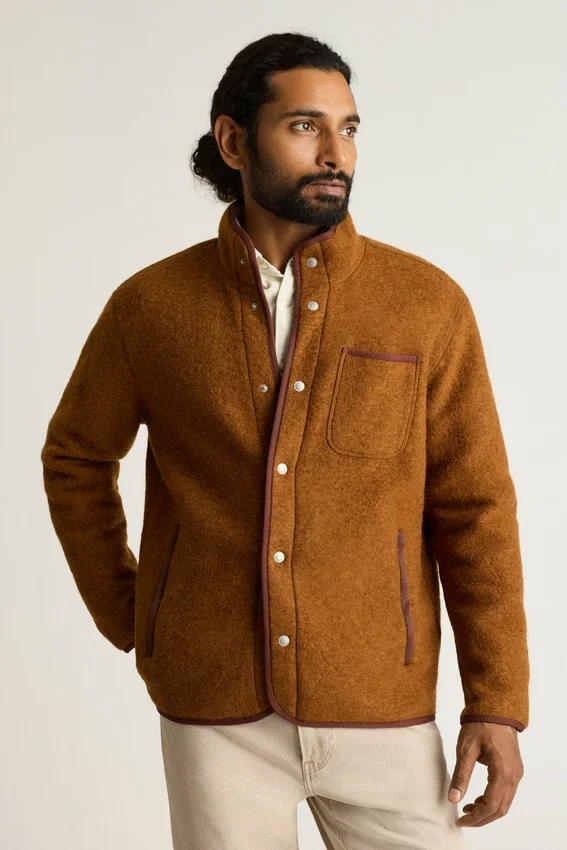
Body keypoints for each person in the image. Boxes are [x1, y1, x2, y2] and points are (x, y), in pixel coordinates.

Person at [41, 31, 529, 849]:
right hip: (213, 710)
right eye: (305, 126)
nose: (335, 152)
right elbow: (76, 459)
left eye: (348, 128)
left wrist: (496, 700)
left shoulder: (424, 304)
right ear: (234, 141)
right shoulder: (151, 307)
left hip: (381, 702)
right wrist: (138, 612)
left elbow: (474, 507)